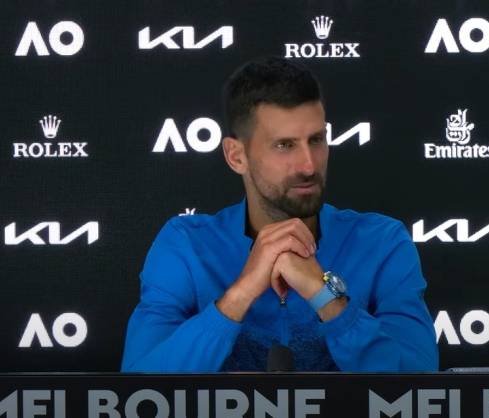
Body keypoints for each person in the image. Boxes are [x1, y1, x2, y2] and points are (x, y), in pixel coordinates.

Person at [121, 56, 439, 372]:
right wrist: (242, 291)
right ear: (236, 156)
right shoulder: (186, 245)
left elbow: (420, 386)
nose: (309, 165)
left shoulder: (382, 242)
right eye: (285, 145)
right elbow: (139, 387)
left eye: (316, 140)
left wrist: (323, 293)